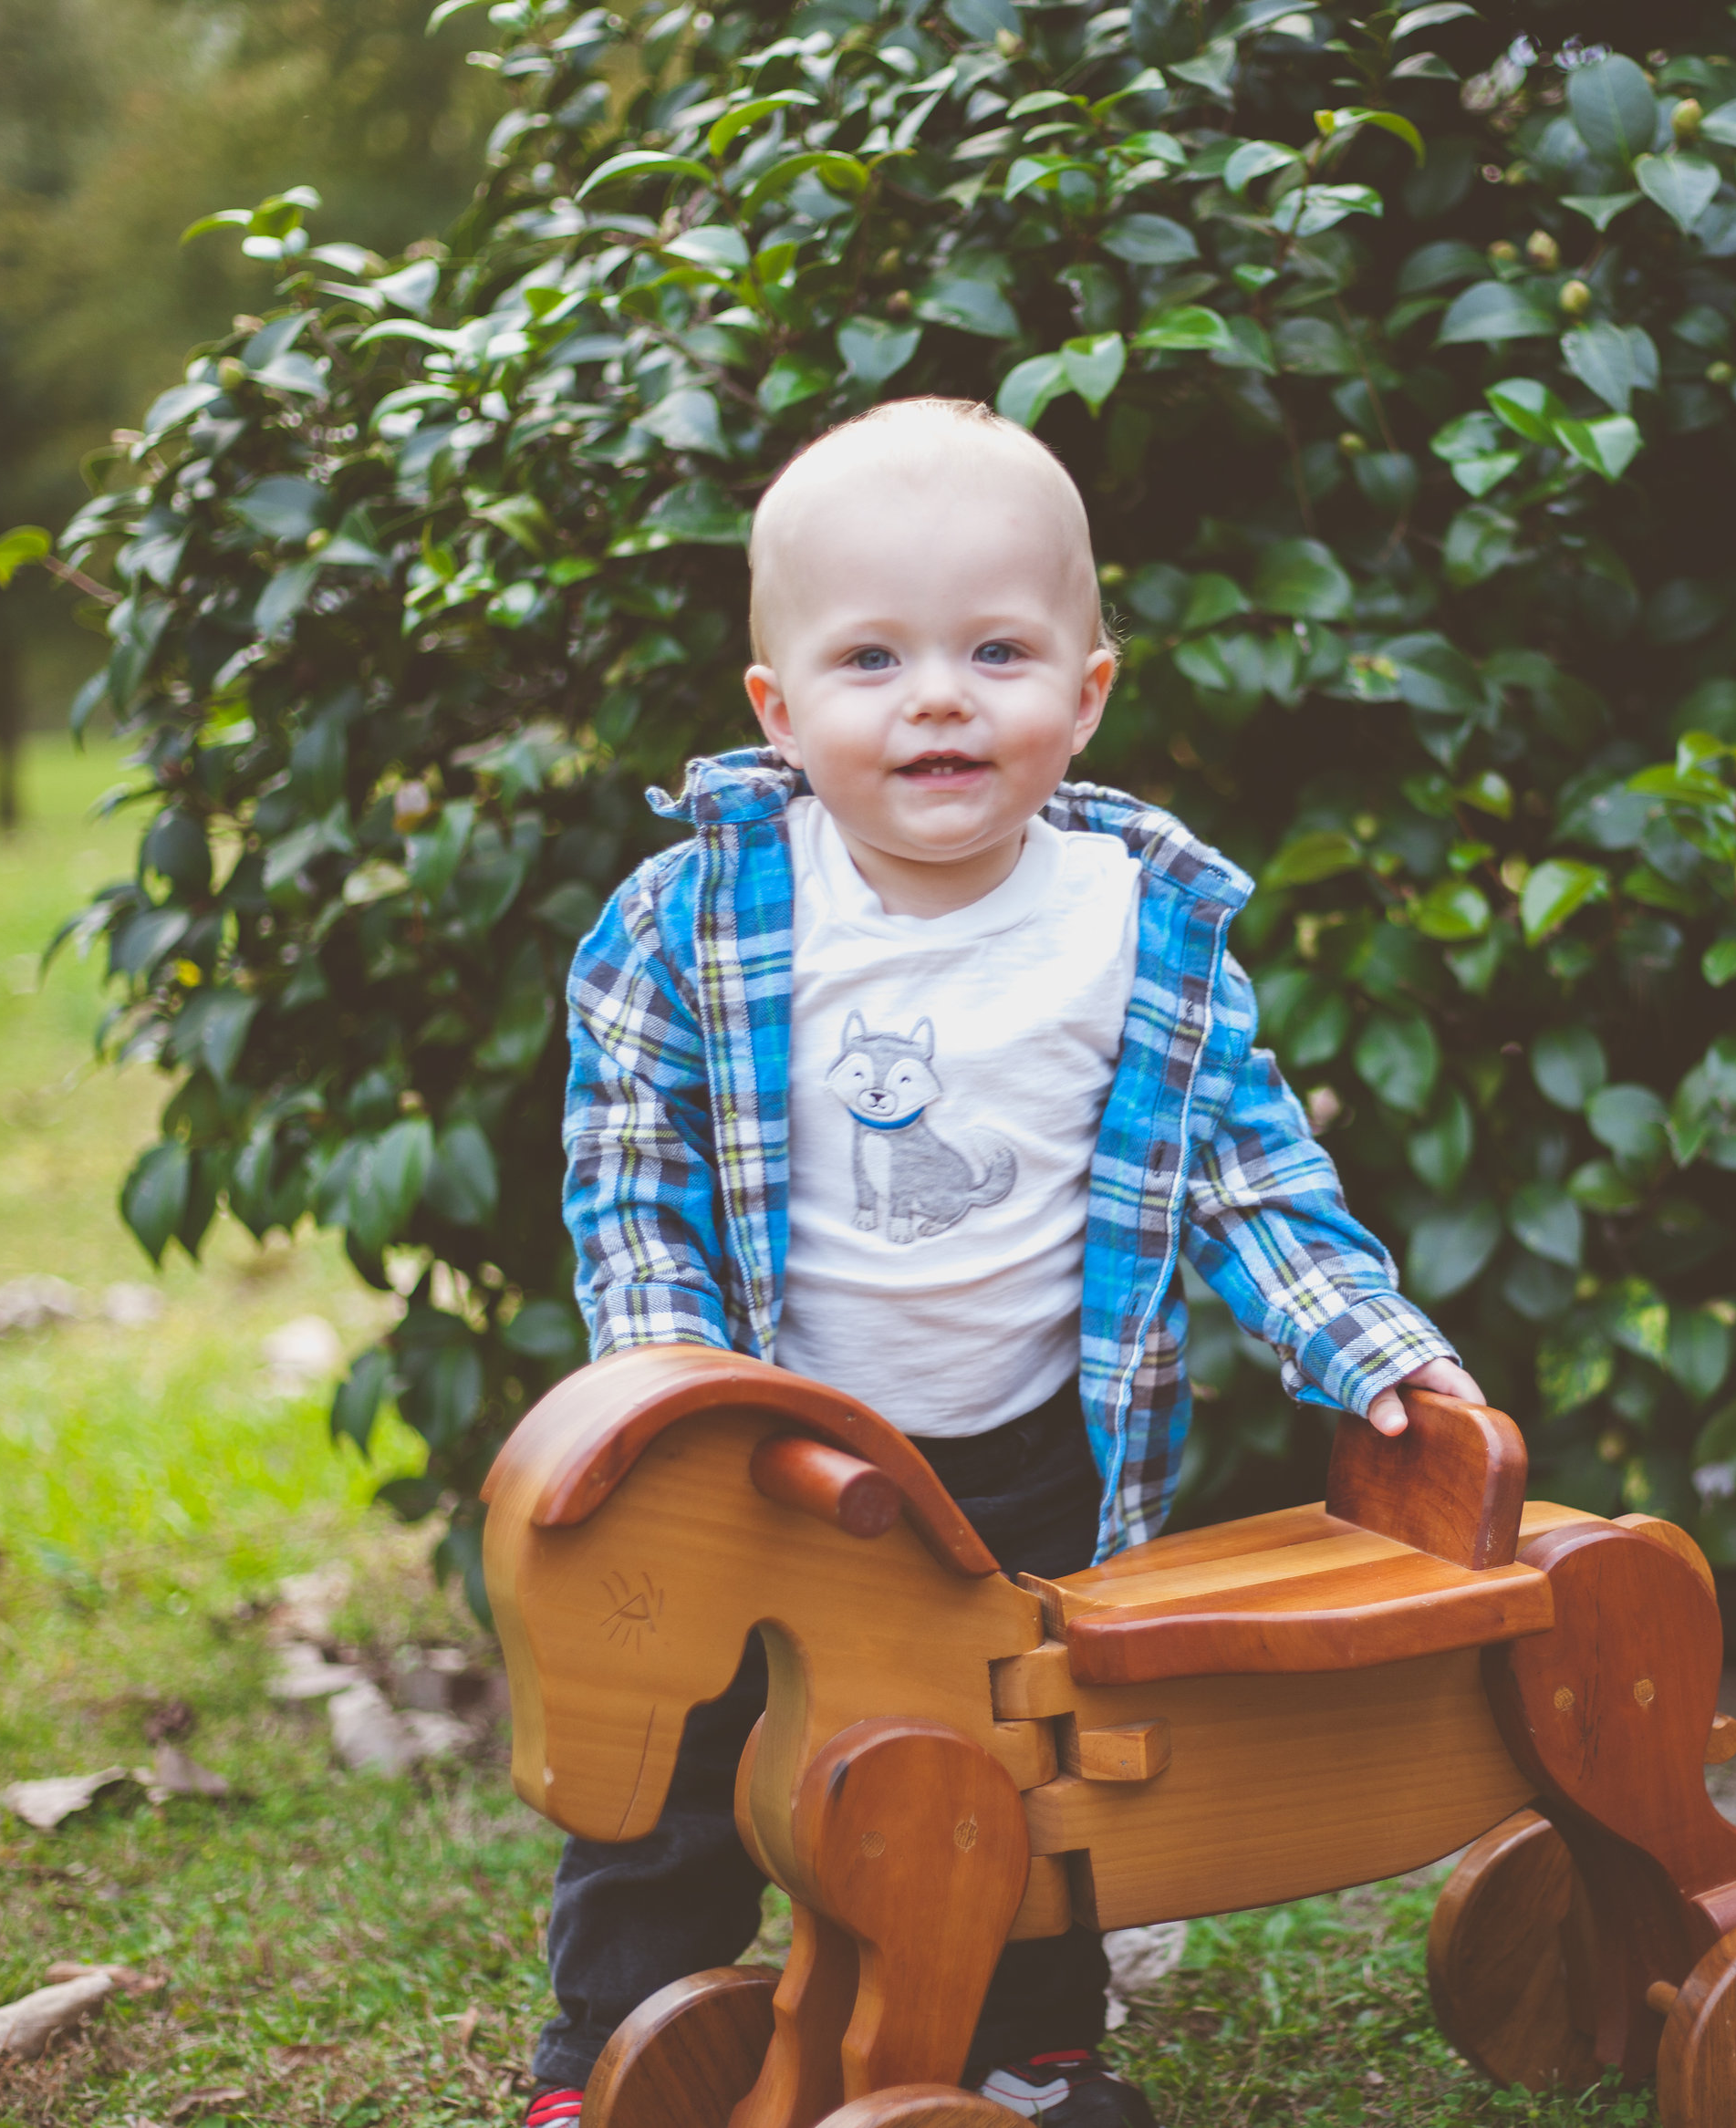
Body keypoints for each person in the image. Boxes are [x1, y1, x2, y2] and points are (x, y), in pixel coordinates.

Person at [525, 398, 1481, 2127]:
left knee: (1020, 1755)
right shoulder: (702, 918)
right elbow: (631, 1176)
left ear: (1087, 691)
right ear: (780, 709)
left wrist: (1370, 1345)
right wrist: (674, 1392)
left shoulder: (1135, 926)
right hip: (767, 1453)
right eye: (872, 657)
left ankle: (1027, 2048)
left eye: (996, 650)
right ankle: (613, 2041)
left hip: (1031, 1452)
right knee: (692, 1752)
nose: (939, 698)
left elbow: (1247, 1171)